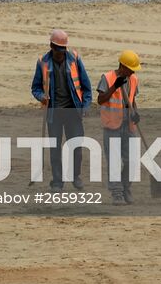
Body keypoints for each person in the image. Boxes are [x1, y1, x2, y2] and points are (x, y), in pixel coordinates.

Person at [30, 28, 93, 190]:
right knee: (55, 149)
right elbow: (35, 87)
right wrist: (41, 97)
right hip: (54, 113)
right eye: (58, 50)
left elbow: (86, 87)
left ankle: (75, 176)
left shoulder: (74, 59)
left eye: (63, 49)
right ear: (51, 46)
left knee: (76, 147)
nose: (61, 53)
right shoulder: (43, 62)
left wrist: (85, 106)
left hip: (73, 111)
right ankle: (57, 181)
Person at [96, 50, 142, 205]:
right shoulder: (107, 78)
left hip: (128, 125)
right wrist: (114, 87)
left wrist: (135, 113)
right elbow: (101, 100)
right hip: (112, 126)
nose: (132, 72)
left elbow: (132, 99)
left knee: (133, 160)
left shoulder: (133, 79)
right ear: (122, 66)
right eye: (130, 69)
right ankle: (117, 193)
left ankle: (125, 187)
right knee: (114, 162)